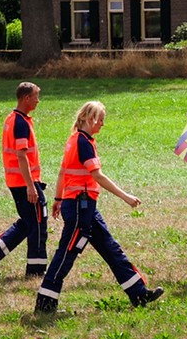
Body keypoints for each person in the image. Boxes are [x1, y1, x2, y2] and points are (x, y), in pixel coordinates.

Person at [35, 101, 163, 314]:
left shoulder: (76, 139)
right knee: (66, 253)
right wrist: (125, 196)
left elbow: (62, 172)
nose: (103, 124)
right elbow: (97, 175)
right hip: (79, 207)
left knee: (110, 248)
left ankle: (139, 293)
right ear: (89, 118)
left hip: (83, 206)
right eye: (100, 119)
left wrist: (58, 198)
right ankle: (45, 303)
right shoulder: (83, 142)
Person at [0, 82, 49, 277]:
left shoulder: (14, 119)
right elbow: (21, 156)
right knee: (37, 224)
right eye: (36, 96)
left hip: (17, 181)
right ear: (26, 98)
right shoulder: (19, 123)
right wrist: (31, 186)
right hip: (25, 183)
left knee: (29, 221)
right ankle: (36, 271)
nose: (38, 100)